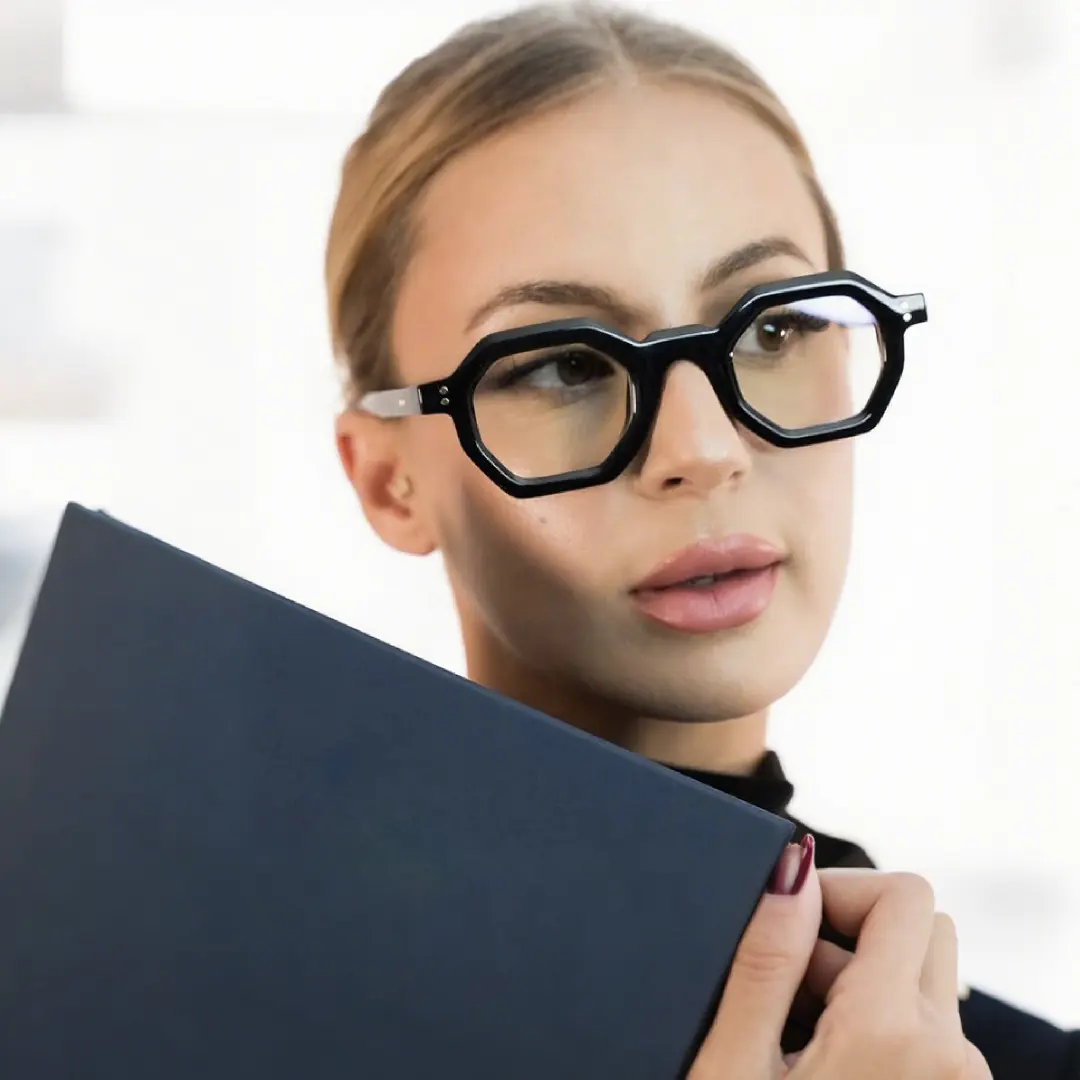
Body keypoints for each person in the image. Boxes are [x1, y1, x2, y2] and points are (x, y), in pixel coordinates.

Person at [325, 3, 1080, 1076]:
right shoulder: (181, 990)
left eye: (775, 327)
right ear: (385, 480)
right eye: (564, 364)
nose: (704, 447)